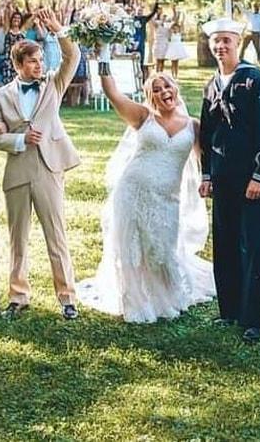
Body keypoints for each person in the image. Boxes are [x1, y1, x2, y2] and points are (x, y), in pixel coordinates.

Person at [77, 53, 215, 322]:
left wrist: (208, 180)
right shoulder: (143, 117)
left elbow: (206, 159)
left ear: (176, 89)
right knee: (133, 250)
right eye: (157, 90)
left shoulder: (193, 126)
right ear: (150, 97)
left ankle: (167, 297)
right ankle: (136, 301)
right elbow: (113, 93)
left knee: (161, 249)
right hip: (133, 191)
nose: (164, 92)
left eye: (167, 86)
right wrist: (103, 54)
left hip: (167, 198)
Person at [0, 9, 81, 320]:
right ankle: (18, 297)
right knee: (18, 239)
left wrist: (58, 30)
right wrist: (18, 139)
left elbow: (72, 57)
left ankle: (67, 298)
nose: (39, 65)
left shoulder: (54, 84)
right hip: (17, 170)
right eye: (32, 61)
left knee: (56, 235)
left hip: (48, 168)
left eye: (40, 60)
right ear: (18, 65)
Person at [198, 18, 260, 343]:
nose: (221, 46)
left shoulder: (256, 80)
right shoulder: (211, 85)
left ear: (238, 42)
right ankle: (229, 309)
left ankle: (255, 318)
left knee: (254, 245)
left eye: (226, 41)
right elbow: (206, 133)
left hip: (250, 176)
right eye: (216, 41)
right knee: (226, 241)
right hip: (222, 175)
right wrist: (206, 173)